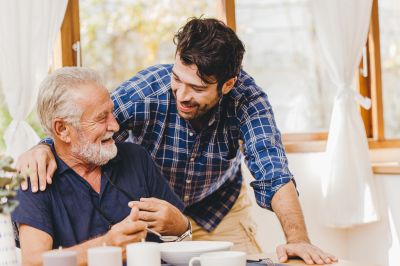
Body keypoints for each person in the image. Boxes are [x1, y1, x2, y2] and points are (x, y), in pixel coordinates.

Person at [17, 18, 337, 264]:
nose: (182, 95)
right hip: (157, 213)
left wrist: (298, 238)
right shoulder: (146, 91)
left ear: (227, 85)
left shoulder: (247, 101)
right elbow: (83, 124)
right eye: (177, 79)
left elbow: (273, 171)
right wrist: (44, 146)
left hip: (218, 207)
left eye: (197, 89)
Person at [12, 67, 191, 266]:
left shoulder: (136, 157)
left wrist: (182, 225)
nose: (115, 126)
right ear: (62, 129)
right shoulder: (35, 176)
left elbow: (182, 238)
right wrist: (106, 245)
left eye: (112, 112)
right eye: (101, 118)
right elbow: (33, 262)